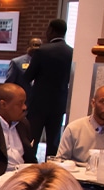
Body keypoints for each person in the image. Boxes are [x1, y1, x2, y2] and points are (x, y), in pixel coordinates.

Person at [24, 19, 73, 159]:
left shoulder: (41, 51)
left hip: (38, 104)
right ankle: (51, 170)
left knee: (32, 141)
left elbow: (28, 77)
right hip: (59, 104)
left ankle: (29, 169)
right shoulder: (72, 53)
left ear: (51, 30)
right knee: (53, 142)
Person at [57, 85, 104, 163]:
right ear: (93, 103)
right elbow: (60, 162)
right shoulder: (74, 129)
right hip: (77, 174)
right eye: (103, 101)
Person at [5, 37, 42, 105]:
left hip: (38, 104)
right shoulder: (17, 62)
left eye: (39, 45)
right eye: (35, 45)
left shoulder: (44, 63)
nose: (37, 48)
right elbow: (9, 83)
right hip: (20, 102)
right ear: (28, 46)